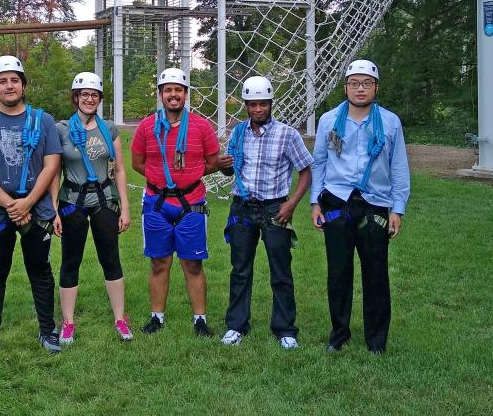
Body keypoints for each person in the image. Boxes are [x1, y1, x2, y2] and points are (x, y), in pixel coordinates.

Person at [0, 55, 63, 358]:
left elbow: (52, 164)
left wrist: (29, 202)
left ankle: (48, 331)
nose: (9, 85)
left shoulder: (42, 120)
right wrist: (11, 205)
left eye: (14, 80)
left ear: (23, 85)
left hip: (37, 211)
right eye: (3, 80)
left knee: (40, 271)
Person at [310, 59, 410, 354]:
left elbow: (399, 167)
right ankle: (339, 334)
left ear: (376, 87)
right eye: (355, 83)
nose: (360, 89)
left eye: (367, 83)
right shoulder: (329, 120)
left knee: (376, 274)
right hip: (337, 202)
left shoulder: (390, 122)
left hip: (375, 205)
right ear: (346, 87)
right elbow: (319, 162)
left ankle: (376, 340)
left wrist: (397, 208)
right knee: (338, 273)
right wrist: (315, 201)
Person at [217, 76, 313, 348]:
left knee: (281, 270)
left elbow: (306, 171)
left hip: (275, 209)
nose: (258, 109)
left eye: (263, 104)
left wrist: (291, 204)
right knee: (240, 269)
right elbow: (229, 170)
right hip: (243, 208)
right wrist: (223, 165)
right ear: (246, 105)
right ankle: (236, 325)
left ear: (271, 104)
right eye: (253, 104)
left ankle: (285, 329)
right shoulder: (238, 133)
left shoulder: (287, 134)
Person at [131, 67, 221, 336]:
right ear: (160, 94)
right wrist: (162, 181)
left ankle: (200, 319)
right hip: (157, 204)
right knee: (159, 262)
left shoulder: (201, 126)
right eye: (168, 90)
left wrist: (189, 177)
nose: (173, 95)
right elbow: (137, 162)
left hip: (191, 203)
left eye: (178, 90)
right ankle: (157, 317)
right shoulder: (147, 126)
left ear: (185, 94)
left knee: (192, 263)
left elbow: (213, 161)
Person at [49, 72, 133, 344]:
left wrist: (126, 208)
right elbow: (53, 173)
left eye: (94, 95)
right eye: (83, 94)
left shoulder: (108, 129)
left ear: (99, 99)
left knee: (110, 258)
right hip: (73, 203)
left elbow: (119, 170)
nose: (88, 99)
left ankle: (120, 319)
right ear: (76, 98)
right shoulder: (61, 129)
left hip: (104, 200)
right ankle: (68, 322)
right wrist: (52, 210)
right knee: (70, 260)